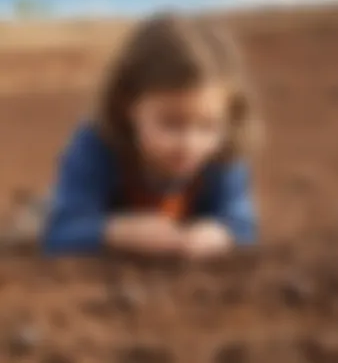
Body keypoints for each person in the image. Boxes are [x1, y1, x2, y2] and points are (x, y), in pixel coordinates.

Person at [43, 13, 257, 258]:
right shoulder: (96, 144)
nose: (189, 144)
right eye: (171, 124)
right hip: (97, 216)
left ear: (231, 113)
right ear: (127, 105)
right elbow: (61, 231)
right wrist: (119, 232)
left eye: (207, 126)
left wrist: (219, 232)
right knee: (36, 220)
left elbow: (243, 224)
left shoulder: (224, 154)